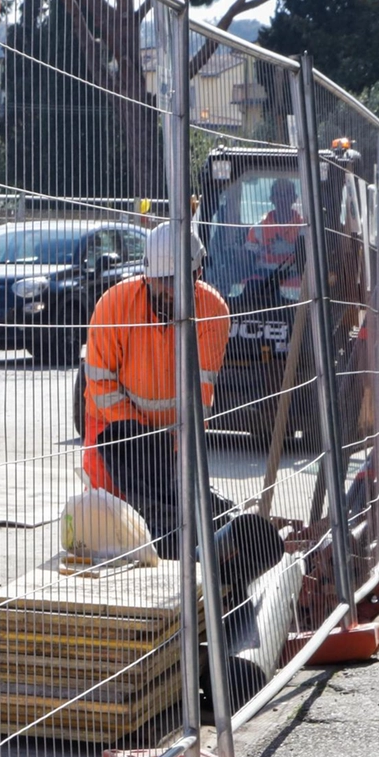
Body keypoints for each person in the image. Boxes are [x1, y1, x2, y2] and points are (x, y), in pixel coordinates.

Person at [81, 221, 234, 558]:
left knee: (178, 501)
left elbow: (200, 396)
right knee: (108, 509)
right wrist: (140, 436)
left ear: (198, 274)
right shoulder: (115, 306)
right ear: (147, 276)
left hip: (173, 431)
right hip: (113, 424)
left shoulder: (213, 313)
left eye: (181, 282)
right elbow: (101, 383)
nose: (172, 291)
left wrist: (176, 449)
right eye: (165, 282)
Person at [246, 177, 304, 276]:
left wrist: (290, 248)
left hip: (296, 279)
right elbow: (246, 260)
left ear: (294, 198)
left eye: (286, 194)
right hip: (264, 282)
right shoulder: (257, 230)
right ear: (271, 199)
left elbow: (310, 258)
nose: (282, 199)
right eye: (278, 194)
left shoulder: (304, 229)